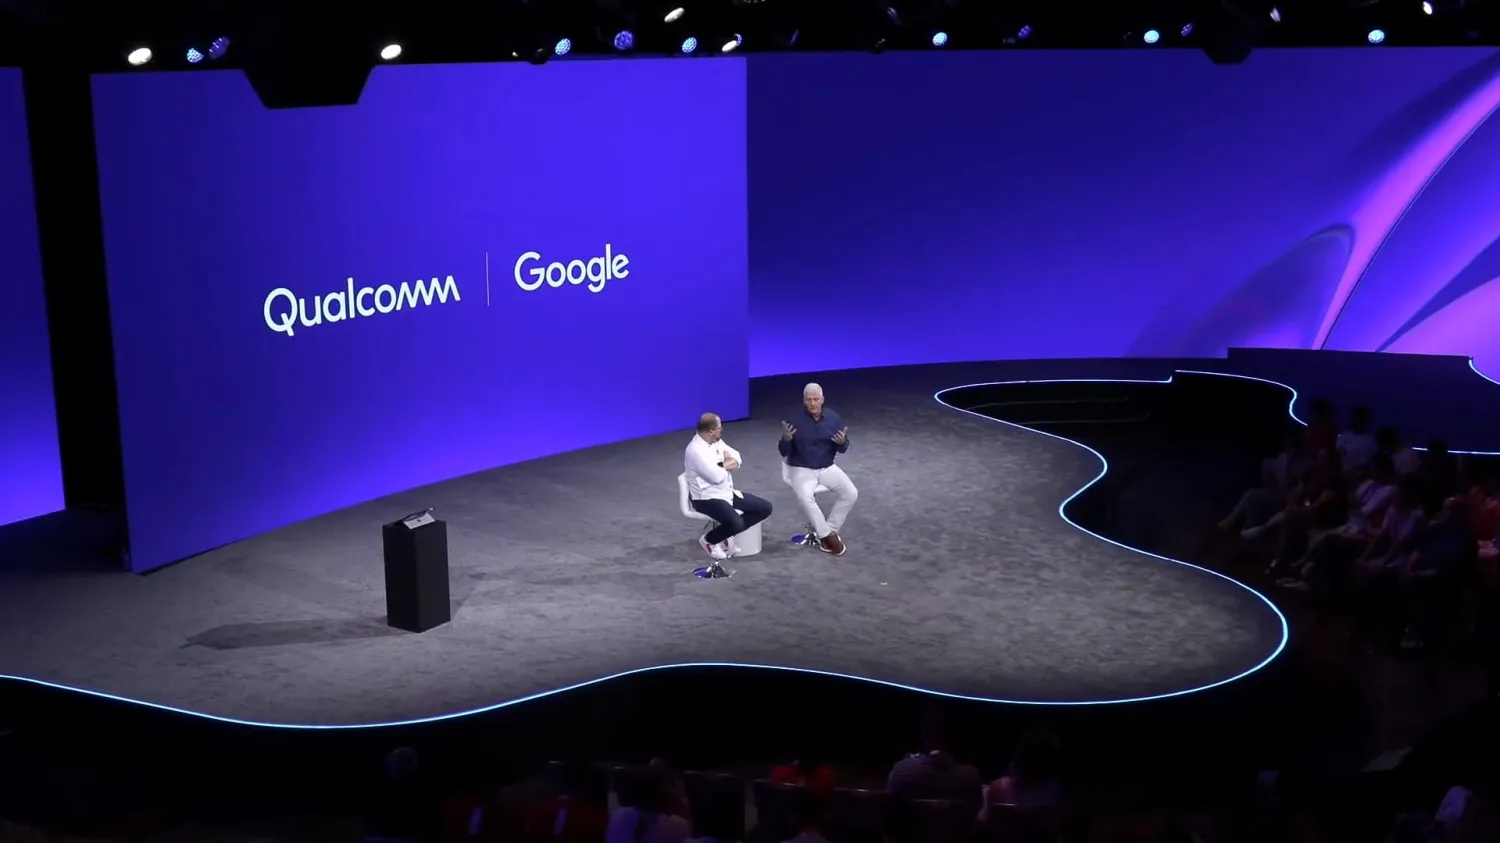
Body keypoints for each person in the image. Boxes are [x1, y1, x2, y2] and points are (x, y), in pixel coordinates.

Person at [780, 383, 859, 556]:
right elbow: (784, 452)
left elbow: (843, 448)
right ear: (804, 401)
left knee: (851, 493)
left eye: (816, 399)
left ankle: (829, 530)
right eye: (809, 400)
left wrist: (842, 443)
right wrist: (786, 440)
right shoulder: (794, 419)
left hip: (826, 467)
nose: (812, 403)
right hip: (801, 468)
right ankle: (826, 537)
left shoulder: (833, 418)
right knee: (805, 497)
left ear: (822, 400)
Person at [684, 413, 772, 561]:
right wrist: (727, 464)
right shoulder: (695, 451)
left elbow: (737, 457)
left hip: (726, 493)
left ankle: (725, 535)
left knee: (765, 508)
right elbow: (716, 478)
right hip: (706, 498)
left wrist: (723, 465)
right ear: (711, 431)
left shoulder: (716, 441)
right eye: (719, 428)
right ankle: (709, 541)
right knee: (736, 523)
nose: (722, 430)